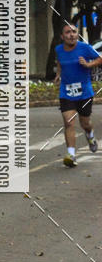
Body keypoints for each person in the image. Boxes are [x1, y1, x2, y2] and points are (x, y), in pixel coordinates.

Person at [54, 22, 101, 167]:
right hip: (66, 92)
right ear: (62, 36)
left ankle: (90, 135)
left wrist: (88, 65)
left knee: (85, 123)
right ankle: (71, 155)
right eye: (68, 32)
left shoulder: (85, 48)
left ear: (77, 34)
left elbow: (100, 59)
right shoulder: (59, 49)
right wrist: (58, 74)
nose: (71, 34)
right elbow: (60, 62)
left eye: (74, 32)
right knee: (69, 122)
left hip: (84, 92)